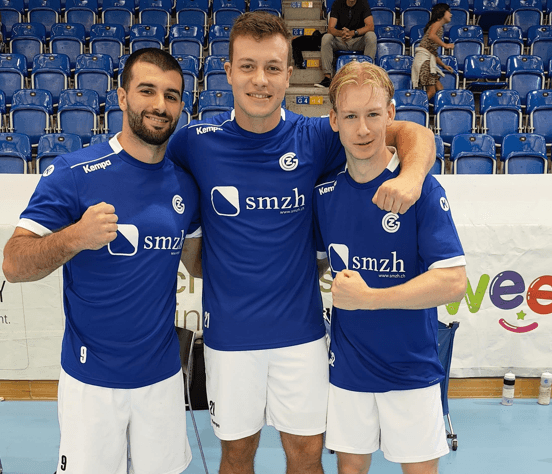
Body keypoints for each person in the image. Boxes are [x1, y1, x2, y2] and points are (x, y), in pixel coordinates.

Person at [166, 11, 436, 474]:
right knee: (236, 455)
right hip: (229, 339)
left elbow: (409, 132)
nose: (260, 80)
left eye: (273, 67)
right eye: (247, 66)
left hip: (302, 336)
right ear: (227, 71)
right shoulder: (194, 143)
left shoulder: (318, 135)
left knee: (308, 454)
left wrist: (412, 178)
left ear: (290, 74)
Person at [2, 48, 201, 474]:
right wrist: (75, 236)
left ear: (182, 106)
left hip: (162, 380)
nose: (159, 105)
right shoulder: (75, 171)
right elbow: (13, 264)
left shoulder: (186, 183)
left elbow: (199, 263)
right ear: (122, 96)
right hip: (91, 383)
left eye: (171, 95)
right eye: (147, 91)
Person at [314, 60, 467, 474]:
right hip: (348, 371)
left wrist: (370, 299)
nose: (362, 129)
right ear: (334, 121)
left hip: (411, 370)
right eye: (350, 116)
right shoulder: (324, 195)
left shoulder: (421, 188)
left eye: (372, 115)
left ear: (391, 115)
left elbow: (454, 282)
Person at [316, 0, 377, 88]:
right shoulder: (337, 3)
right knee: (326, 37)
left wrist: (354, 33)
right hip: (342, 40)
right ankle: (328, 78)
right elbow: (330, 28)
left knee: (371, 36)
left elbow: (370, 26)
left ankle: (366, 75)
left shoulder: (363, 3)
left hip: (357, 40)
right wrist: (342, 33)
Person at [411, 3, 455, 100]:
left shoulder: (440, 27)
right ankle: (418, 107)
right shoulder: (437, 24)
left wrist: (444, 66)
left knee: (440, 89)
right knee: (431, 91)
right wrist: (445, 45)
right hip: (424, 61)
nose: (451, 14)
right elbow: (431, 35)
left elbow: (432, 54)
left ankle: (443, 108)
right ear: (442, 12)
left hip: (425, 60)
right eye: (449, 12)